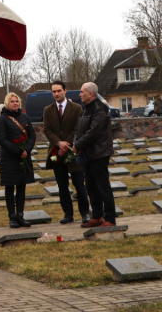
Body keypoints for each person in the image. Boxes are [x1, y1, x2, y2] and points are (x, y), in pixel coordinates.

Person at [42, 81, 89, 224]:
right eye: (54, 92)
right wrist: (58, 143)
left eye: (59, 91)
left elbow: (78, 128)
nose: (56, 94)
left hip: (74, 152)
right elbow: (47, 130)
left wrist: (66, 144)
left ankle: (85, 213)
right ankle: (68, 214)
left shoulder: (76, 108)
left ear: (65, 91)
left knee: (79, 184)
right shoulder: (48, 110)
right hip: (57, 153)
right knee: (62, 185)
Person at [73, 82, 117, 229]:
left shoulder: (100, 108)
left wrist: (78, 145)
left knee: (102, 186)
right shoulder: (86, 109)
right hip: (88, 153)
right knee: (91, 187)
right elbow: (80, 129)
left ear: (90, 93)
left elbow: (93, 131)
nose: (80, 94)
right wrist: (76, 143)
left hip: (99, 152)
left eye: (82, 92)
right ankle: (97, 216)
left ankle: (110, 218)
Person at [0, 92, 35, 229]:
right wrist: (18, 151)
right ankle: (12, 217)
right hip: (9, 158)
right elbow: (2, 139)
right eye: (12, 101)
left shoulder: (25, 117)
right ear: (7, 103)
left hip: (23, 157)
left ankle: (20, 215)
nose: (15, 103)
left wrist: (27, 150)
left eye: (17, 101)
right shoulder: (3, 119)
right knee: (9, 187)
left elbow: (32, 136)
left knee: (21, 187)